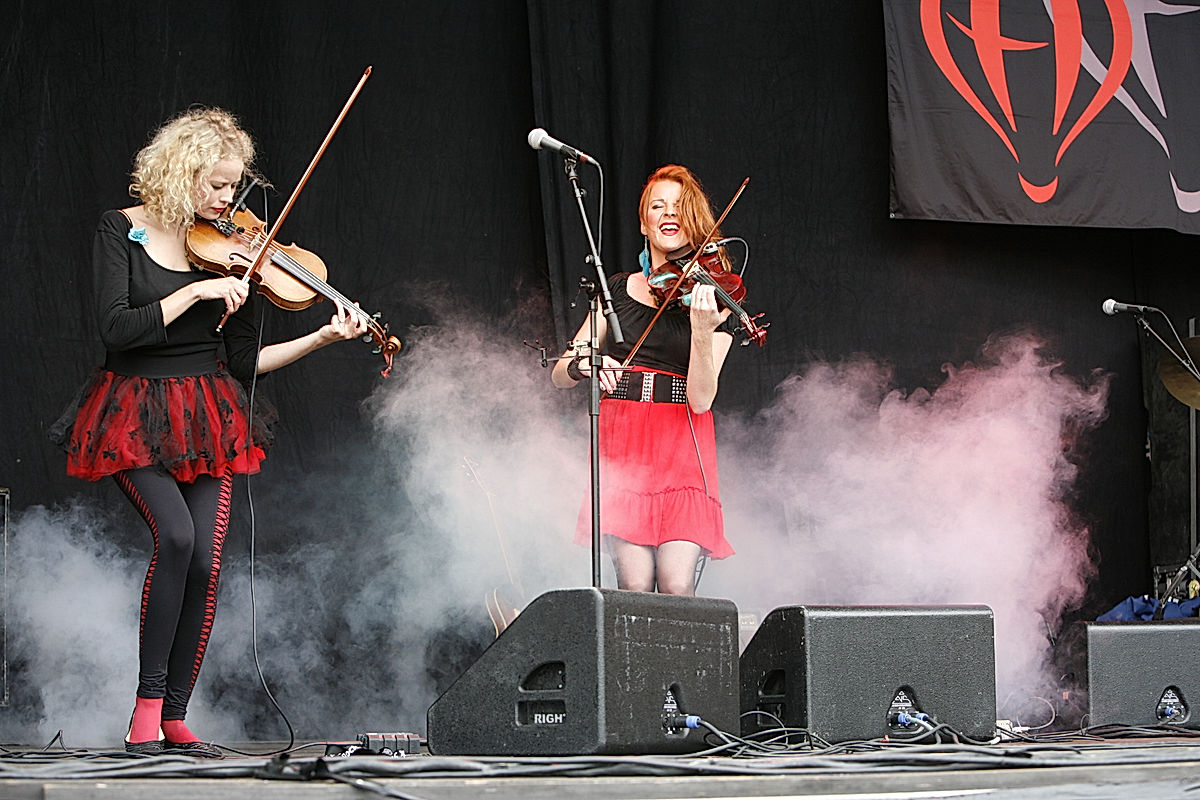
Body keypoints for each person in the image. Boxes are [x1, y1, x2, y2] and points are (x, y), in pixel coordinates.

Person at [49, 108, 368, 756]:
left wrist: (321, 336)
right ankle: (144, 706)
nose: (230, 201)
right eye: (218, 186)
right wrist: (195, 294)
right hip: (131, 409)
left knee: (207, 561)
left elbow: (246, 367)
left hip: (208, 414)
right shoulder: (122, 229)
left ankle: (175, 714)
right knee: (176, 536)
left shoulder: (240, 256)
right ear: (181, 172)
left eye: (233, 188)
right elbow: (117, 328)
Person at [552, 164, 739, 596]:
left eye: (679, 206)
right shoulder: (616, 288)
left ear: (693, 220)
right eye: (658, 206)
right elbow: (562, 371)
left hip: (682, 443)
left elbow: (701, 399)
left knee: (676, 587)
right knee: (634, 587)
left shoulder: (718, 300)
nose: (668, 213)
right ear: (644, 223)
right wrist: (590, 365)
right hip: (625, 442)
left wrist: (701, 330)